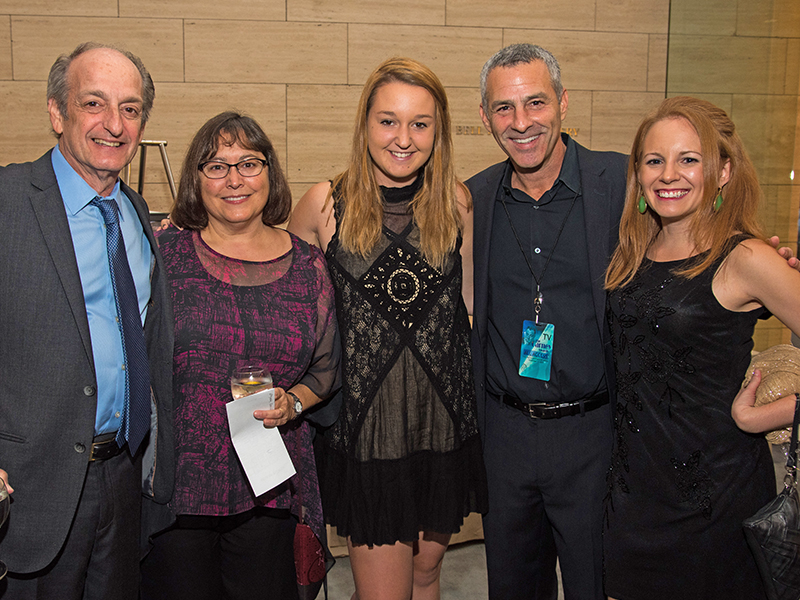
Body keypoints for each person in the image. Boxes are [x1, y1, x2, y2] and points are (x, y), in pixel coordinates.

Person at [289, 57, 487, 600]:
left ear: (438, 132)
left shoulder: (456, 203)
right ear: (365, 124)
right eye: (388, 121)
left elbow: (470, 308)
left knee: (425, 576)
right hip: (370, 436)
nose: (404, 138)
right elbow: (284, 305)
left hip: (441, 426)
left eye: (420, 124)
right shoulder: (324, 204)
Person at [603, 96, 800, 599]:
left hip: (714, 500)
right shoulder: (634, 250)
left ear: (723, 171)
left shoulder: (747, 257)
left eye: (688, 159)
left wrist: (767, 415)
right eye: (654, 160)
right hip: (633, 495)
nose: (669, 174)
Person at [139, 111, 340, 600]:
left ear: (270, 173)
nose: (234, 180)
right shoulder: (162, 255)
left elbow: (326, 368)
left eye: (249, 164)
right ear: (197, 179)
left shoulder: (308, 265)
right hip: (179, 489)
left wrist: (293, 401)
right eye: (216, 166)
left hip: (269, 486)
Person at [0, 42, 174, 600]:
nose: (114, 125)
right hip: (30, 487)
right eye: (93, 103)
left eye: (130, 108)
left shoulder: (135, 212)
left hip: (123, 477)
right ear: (57, 111)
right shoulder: (8, 201)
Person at [467, 43, 626, 600]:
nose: (521, 122)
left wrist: (747, 261)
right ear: (485, 117)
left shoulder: (620, 183)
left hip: (593, 436)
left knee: (594, 585)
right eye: (504, 108)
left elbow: (693, 227)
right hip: (504, 438)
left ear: (562, 102)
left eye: (535, 102)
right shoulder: (473, 199)